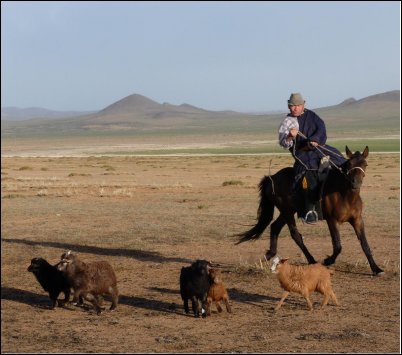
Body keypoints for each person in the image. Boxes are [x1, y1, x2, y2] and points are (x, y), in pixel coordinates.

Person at [278, 92, 346, 224]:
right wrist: (290, 136)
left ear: (303, 105)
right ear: (288, 106)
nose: (295, 108)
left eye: (298, 105)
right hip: (302, 153)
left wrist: (315, 139)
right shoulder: (287, 122)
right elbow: (284, 143)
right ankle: (310, 210)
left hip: (318, 148)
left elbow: (321, 129)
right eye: (292, 106)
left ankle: (342, 199)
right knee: (312, 172)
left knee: (340, 161)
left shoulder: (312, 116)